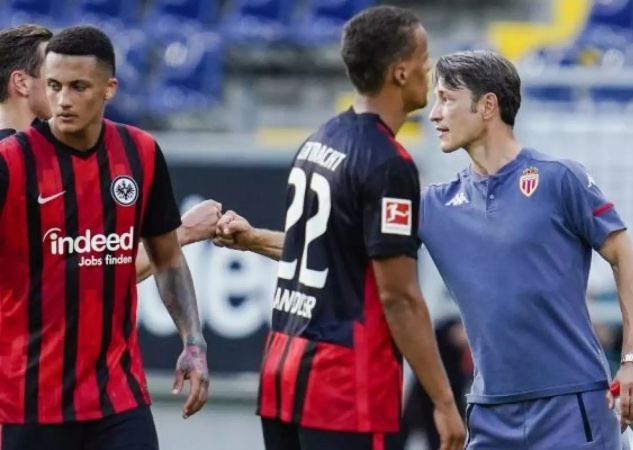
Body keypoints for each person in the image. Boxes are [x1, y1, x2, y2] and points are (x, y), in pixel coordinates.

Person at [213, 6, 465, 450]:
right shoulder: (389, 163)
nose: (430, 68)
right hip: (346, 387)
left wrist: (253, 239)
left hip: (283, 374)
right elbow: (400, 298)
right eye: (424, 59)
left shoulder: (320, 140)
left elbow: (327, 249)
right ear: (401, 72)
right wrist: (443, 401)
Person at [422, 50, 633, 449]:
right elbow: (335, 247)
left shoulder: (560, 178)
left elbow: (628, 258)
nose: (434, 113)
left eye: (446, 98)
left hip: (572, 405)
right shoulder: (434, 205)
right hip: (490, 413)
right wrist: (276, 241)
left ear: (488, 105)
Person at [0, 25, 209, 450]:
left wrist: (194, 342)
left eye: (78, 87)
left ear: (108, 88)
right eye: (55, 85)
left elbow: (167, 258)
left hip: (117, 399)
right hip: (28, 403)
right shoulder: (11, 162)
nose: (63, 99)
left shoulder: (141, 153)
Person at [0, 24, 221, 282]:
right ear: (21, 83)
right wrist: (183, 232)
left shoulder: (48, 153)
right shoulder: (13, 164)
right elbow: (74, 279)